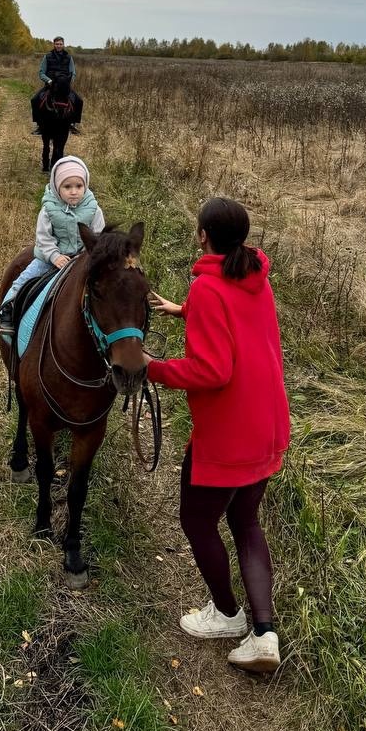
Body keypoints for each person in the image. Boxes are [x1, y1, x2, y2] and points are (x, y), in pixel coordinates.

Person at [144, 197, 290, 674]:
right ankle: (263, 635)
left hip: (229, 433)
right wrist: (183, 309)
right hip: (267, 423)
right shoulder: (255, 276)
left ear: (203, 236)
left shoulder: (208, 288)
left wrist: (153, 368)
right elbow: (237, 324)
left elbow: (211, 369)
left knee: (196, 520)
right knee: (246, 521)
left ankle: (227, 614)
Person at [0, 155, 104, 335]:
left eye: (79, 186)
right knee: (24, 279)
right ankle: (7, 308)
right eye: (67, 186)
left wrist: (86, 256)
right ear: (57, 187)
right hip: (50, 258)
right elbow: (43, 238)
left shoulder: (93, 208)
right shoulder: (49, 209)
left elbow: (98, 237)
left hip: (82, 258)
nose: (74, 192)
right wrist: (54, 256)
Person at [31, 36, 83, 135]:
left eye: (60, 44)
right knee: (34, 100)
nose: (59, 46)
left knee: (79, 101)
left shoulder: (69, 57)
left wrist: (67, 83)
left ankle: (72, 124)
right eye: (57, 44)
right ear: (54, 44)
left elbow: (73, 73)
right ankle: (40, 126)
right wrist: (48, 80)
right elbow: (41, 73)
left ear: (63, 45)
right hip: (51, 85)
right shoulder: (47, 56)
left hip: (64, 86)